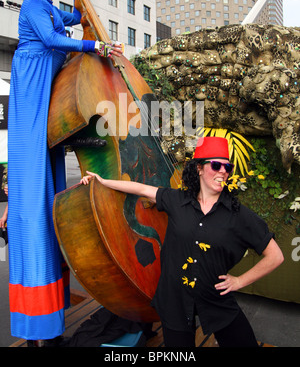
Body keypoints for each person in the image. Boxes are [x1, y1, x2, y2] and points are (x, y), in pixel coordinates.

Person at [7, 0, 122, 346]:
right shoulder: (34, 5)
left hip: (47, 82)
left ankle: (50, 319)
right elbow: (56, 40)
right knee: (35, 175)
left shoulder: (51, 7)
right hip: (34, 81)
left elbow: (73, 18)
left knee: (50, 173)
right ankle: (36, 324)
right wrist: (97, 47)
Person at [80, 136, 284, 348]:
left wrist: (240, 281)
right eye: (216, 165)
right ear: (199, 168)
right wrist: (102, 181)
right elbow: (140, 189)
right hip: (175, 300)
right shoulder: (177, 200)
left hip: (215, 298)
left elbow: (276, 255)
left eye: (227, 167)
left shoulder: (238, 214)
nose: (223, 171)